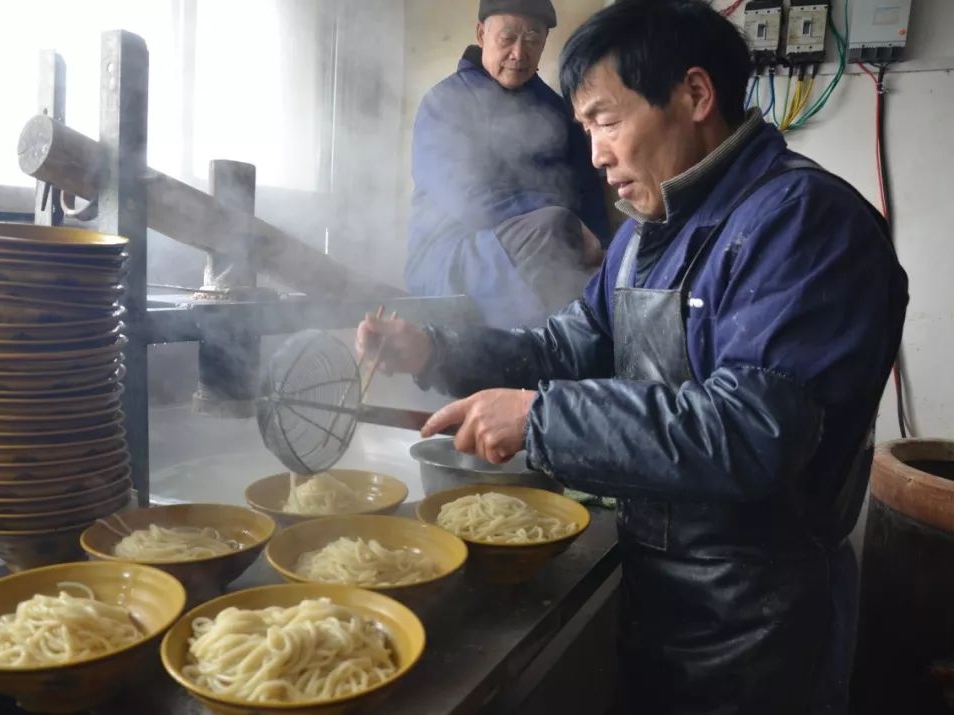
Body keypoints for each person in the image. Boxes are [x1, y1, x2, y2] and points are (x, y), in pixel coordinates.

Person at [361, 1, 909, 712]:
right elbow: (562, 349)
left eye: (607, 121)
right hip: (659, 595)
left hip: (760, 626)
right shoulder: (645, 236)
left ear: (694, 95)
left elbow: (753, 430)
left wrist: (543, 419)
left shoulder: (802, 222)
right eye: (585, 129)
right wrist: (433, 349)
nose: (595, 155)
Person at [405, 0, 610, 329]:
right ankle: (561, 347)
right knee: (553, 228)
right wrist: (568, 224)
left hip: (552, 247)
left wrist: (606, 251)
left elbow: (588, 192)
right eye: (508, 37)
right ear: (481, 33)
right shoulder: (445, 103)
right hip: (454, 256)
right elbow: (467, 198)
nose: (519, 52)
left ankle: (579, 351)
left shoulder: (558, 110)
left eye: (532, 38)